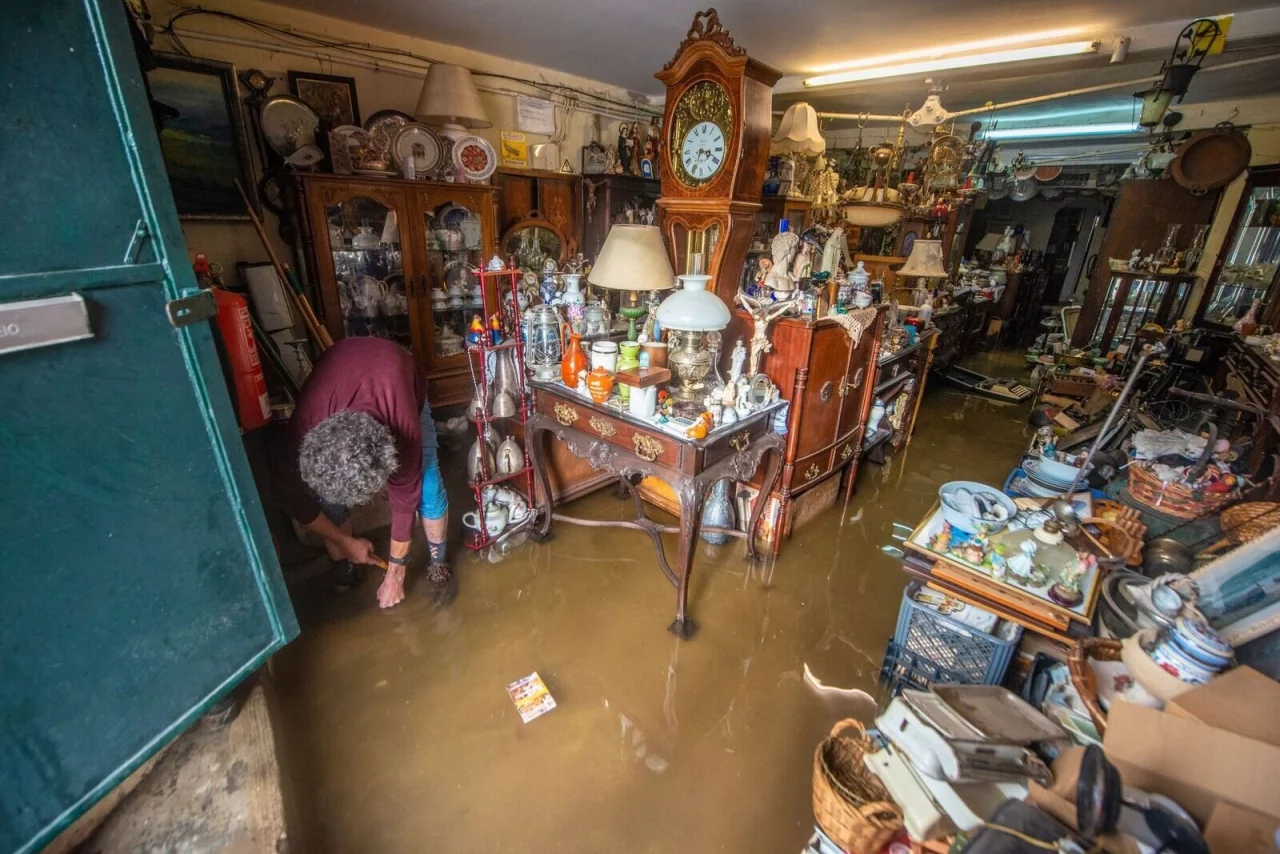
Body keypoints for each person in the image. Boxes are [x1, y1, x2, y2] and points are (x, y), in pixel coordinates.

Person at [270, 338, 449, 608]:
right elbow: (288, 495)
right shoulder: (302, 432)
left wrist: (395, 574)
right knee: (327, 494)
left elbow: (404, 500)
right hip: (341, 367)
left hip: (397, 371)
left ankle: (438, 566)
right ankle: (344, 562)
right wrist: (345, 542)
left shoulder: (403, 428)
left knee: (427, 482)